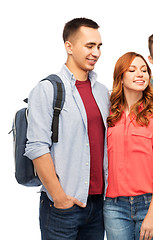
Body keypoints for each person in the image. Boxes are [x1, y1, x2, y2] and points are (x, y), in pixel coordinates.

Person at [24, 18, 109, 239]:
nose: (96, 53)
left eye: (99, 46)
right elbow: (37, 148)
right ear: (69, 47)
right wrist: (59, 197)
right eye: (89, 46)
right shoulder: (47, 89)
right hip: (63, 206)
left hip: (98, 205)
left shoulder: (102, 92)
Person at [103, 52, 153, 240]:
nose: (140, 74)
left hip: (149, 203)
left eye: (144, 70)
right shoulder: (109, 115)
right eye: (132, 70)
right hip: (114, 206)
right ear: (121, 78)